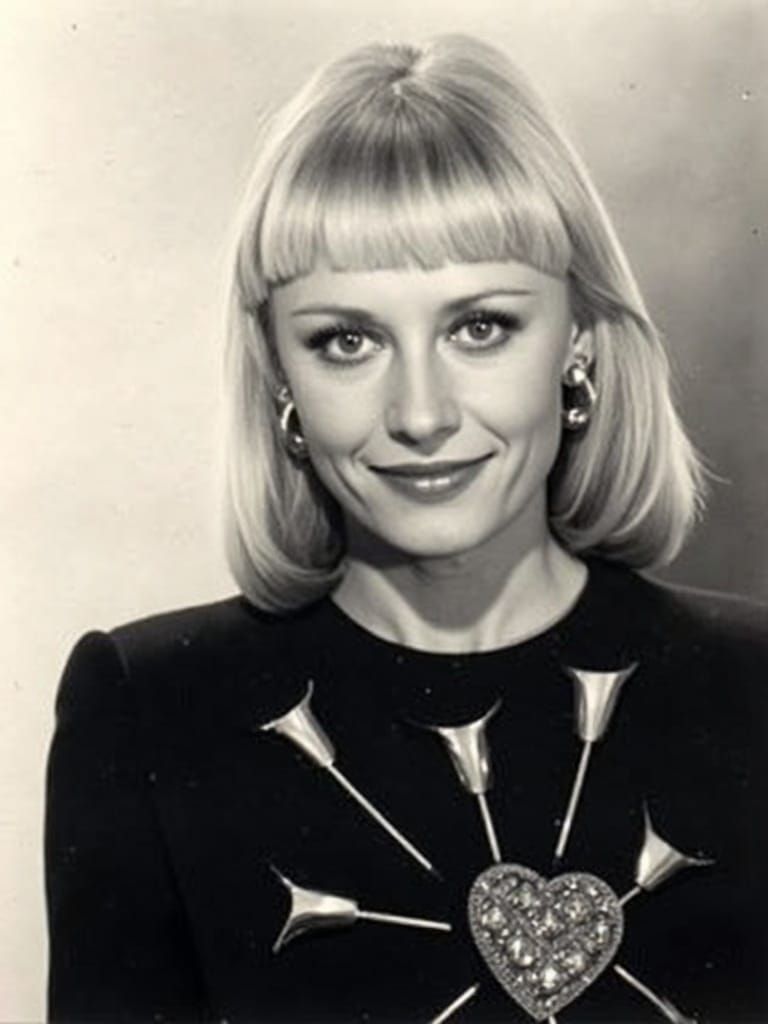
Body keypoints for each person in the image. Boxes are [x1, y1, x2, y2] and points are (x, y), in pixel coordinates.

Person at [45, 34, 767, 1024]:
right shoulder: (146, 711)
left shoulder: (755, 691)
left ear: (580, 346)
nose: (420, 414)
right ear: (281, 384)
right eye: (348, 340)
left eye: (480, 327)